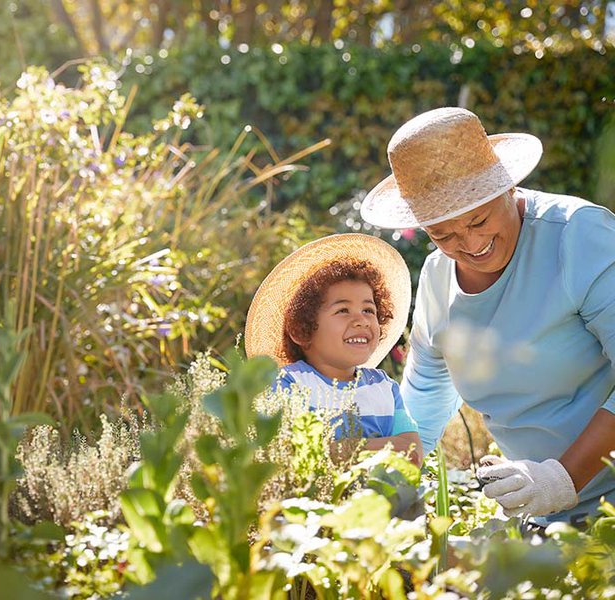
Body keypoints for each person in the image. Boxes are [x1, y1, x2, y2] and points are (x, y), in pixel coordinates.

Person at [361, 106, 615, 524]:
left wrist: (561, 478)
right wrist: (392, 487)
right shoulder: (438, 279)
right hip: (545, 516)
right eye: (443, 233)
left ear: (507, 186)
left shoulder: (578, 237)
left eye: (479, 219)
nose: (471, 242)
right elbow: (425, 395)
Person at [244, 234, 423, 465]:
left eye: (369, 310)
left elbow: (413, 451)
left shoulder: (384, 387)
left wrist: (343, 450)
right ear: (302, 330)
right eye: (343, 311)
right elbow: (294, 454)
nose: (361, 321)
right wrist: (384, 447)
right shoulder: (289, 384)